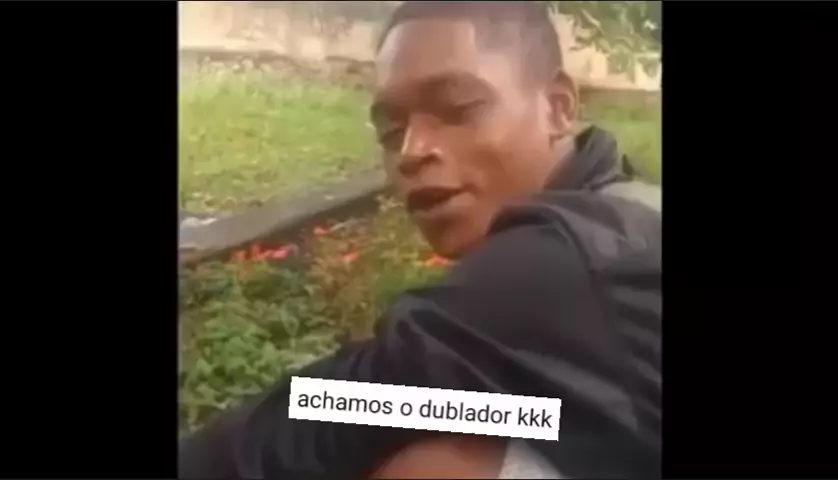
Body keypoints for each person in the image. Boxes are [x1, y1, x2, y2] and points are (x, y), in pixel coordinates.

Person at [178, 1, 661, 478]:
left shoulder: (564, 261)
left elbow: (348, 403)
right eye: (391, 129)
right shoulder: (623, 209)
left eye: (456, 109)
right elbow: (540, 413)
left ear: (558, 107)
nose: (411, 151)